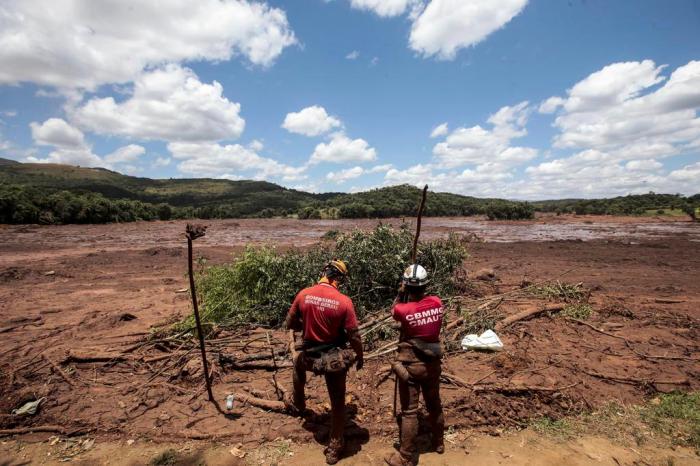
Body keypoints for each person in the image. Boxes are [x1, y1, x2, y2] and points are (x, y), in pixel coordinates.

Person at [285, 259, 364, 465]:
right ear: (340, 279)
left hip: (310, 357)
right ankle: (335, 447)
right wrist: (360, 355)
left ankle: (299, 403)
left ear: (323, 273)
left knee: (296, 362)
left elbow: (290, 323)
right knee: (338, 402)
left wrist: (307, 322)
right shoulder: (344, 301)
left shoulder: (303, 294)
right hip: (333, 361)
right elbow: (354, 336)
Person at [385, 264, 445, 466]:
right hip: (433, 364)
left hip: (412, 366)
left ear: (407, 287)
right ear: (426, 285)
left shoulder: (402, 309)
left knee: (409, 412)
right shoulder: (437, 302)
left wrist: (400, 293)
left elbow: (393, 311)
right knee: (434, 404)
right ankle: (439, 443)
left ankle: (405, 457)